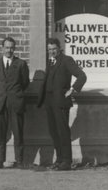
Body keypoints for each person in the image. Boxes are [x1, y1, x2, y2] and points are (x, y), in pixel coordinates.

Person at [37, 37, 87, 170]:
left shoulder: (67, 60)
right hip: (49, 102)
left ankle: (67, 161)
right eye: (49, 50)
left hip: (61, 103)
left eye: (54, 49)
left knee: (63, 131)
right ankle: (59, 159)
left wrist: (72, 90)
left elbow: (82, 76)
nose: (52, 52)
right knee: (54, 132)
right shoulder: (50, 62)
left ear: (59, 48)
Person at [0, 36, 30, 169]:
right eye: (6, 47)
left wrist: (14, 94)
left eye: (11, 48)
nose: (9, 50)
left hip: (15, 102)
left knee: (18, 132)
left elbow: (24, 83)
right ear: (2, 48)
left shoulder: (21, 64)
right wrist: (1, 94)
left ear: (14, 49)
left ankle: (20, 160)